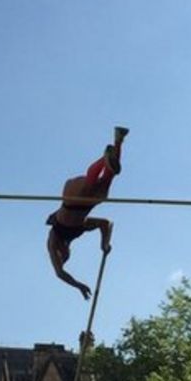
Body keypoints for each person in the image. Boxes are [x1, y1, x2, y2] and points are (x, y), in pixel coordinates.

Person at [46, 126, 128, 299]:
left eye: (60, 256)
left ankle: (103, 160)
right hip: (87, 205)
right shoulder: (82, 227)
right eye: (65, 257)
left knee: (89, 186)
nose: (61, 256)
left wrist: (78, 286)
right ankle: (118, 141)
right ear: (68, 251)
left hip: (71, 197)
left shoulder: (54, 238)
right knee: (107, 180)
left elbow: (60, 273)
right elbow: (106, 223)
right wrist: (104, 244)